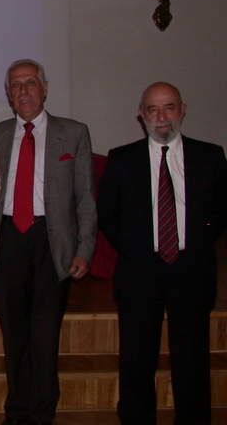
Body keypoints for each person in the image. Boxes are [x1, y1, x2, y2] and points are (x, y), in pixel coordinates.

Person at [97, 82, 227, 425]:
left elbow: (222, 209)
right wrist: (136, 250)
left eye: (169, 107)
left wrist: (198, 242)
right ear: (141, 115)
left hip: (192, 270)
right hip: (140, 272)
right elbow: (108, 214)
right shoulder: (122, 159)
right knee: (137, 360)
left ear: (183, 109)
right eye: (152, 109)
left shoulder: (211, 156)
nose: (161, 117)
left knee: (192, 359)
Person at [0, 59, 97, 425]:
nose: (24, 91)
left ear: (45, 88)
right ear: (8, 94)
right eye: (16, 85)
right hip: (9, 239)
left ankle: (43, 413)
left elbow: (86, 199)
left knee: (46, 335)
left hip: (53, 243)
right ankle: (16, 412)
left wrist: (84, 247)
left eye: (30, 83)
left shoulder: (74, 133)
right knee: (14, 334)